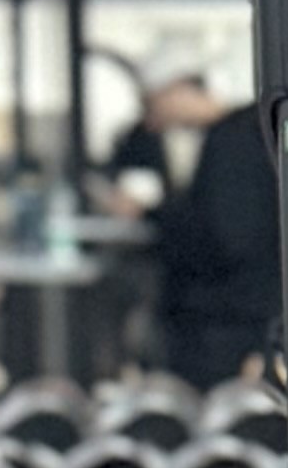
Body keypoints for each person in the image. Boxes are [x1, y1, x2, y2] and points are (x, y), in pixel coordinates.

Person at [105, 68, 276, 385]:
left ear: (180, 89)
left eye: (155, 104)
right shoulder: (246, 132)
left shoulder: (232, 140)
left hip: (225, 318)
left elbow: (226, 235)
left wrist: (152, 216)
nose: (153, 119)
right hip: (239, 312)